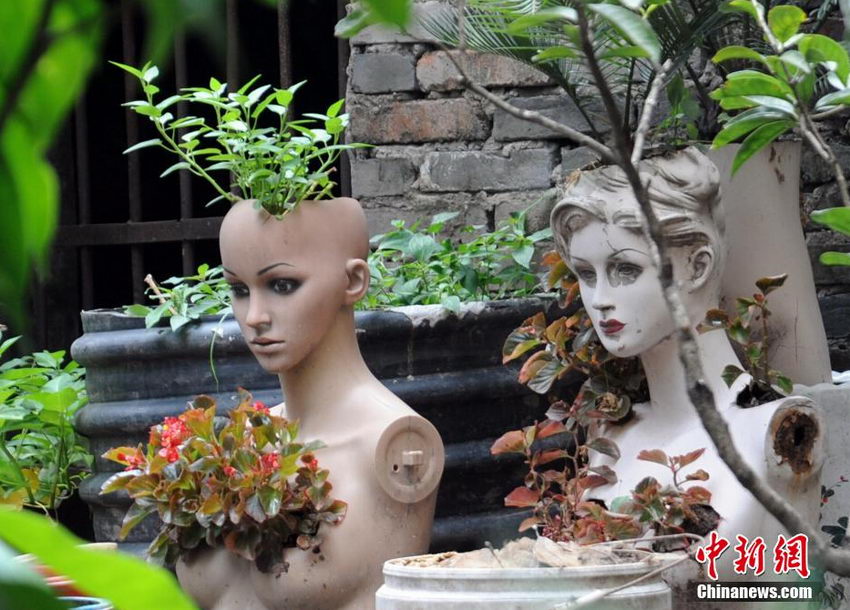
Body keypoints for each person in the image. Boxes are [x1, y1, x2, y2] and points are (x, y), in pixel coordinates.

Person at [550, 148, 823, 580]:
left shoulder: (779, 432)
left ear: (697, 266)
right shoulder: (609, 432)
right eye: (586, 274)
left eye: (625, 270)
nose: (600, 298)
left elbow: (785, 592)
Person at [177, 198, 444, 610]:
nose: (254, 317)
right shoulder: (243, 445)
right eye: (239, 290)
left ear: (353, 281)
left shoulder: (395, 443)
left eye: (282, 285)